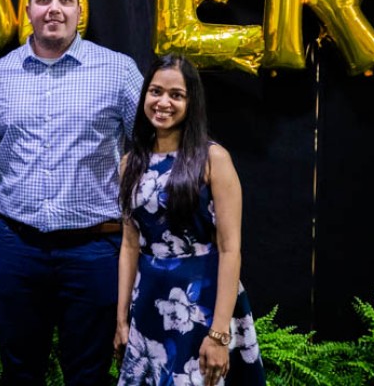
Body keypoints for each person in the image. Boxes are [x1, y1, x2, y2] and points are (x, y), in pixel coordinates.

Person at [0, 0, 144, 385]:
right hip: (17, 246)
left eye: (64, 0)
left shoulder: (118, 71)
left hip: (92, 250)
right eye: (44, 0)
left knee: (88, 375)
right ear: (28, 10)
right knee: (19, 370)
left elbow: (148, 144)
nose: (54, 8)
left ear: (79, 10)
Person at [114, 53, 265, 385]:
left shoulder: (213, 159)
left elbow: (230, 249)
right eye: (155, 92)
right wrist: (122, 320)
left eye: (176, 95)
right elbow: (128, 245)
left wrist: (219, 334)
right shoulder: (130, 163)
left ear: (191, 101)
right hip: (149, 299)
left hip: (203, 301)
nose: (163, 102)